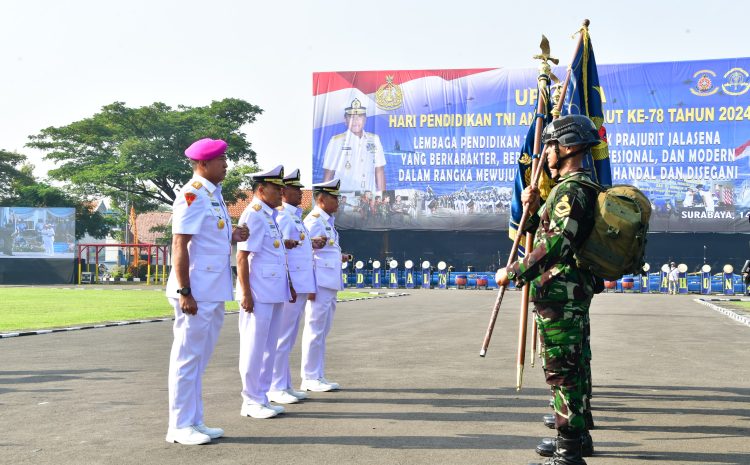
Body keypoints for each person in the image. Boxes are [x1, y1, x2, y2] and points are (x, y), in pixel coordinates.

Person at [495, 114, 602, 465]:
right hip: (568, 293)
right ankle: (578, 437)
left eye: (551, 145)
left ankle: (568, 453)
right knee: (576, 364)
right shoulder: (575, 188)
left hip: (561, 294)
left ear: (568, 147)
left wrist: (512, 272)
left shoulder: (571, 191)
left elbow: (555, 245)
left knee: (562, 369)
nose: (546, 153)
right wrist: (535, 207)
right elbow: (551, 229)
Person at [165, 137, 249, 445]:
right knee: (187, 358)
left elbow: (207, 239)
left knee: (199, 359)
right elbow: (180, 243)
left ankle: (194, 420)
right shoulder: (192, 194)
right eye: (221, 160)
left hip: (212, 289)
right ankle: (179, 425)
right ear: (203, 164)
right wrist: (185, 290)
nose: (226, 165)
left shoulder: (213, 196)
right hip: (195, 291)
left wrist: (233, 233)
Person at [236, 165, 297, 419]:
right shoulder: (253, 214)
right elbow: (242, 257)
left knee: (268, 346)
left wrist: (288, 284)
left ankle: (261, 395)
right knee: (253, 346)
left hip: (273, 291)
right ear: (261, 190)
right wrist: (246, 293)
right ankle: (250, 400)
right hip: (258, 293)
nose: (281, 193)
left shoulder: (268, 216)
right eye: (276, 189)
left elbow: (277, 255)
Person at [268, 169, 327, 404]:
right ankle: (275, 385)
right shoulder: (282, 215)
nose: (300, 193)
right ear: (283, 191)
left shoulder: (294, 217)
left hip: (300, 284)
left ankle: (284, 383)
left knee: (289, 337)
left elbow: (298, 248)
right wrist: (289, 283)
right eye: (295, 189)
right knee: (281, 338)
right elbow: (280, 252)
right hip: (291, 284)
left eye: (300, 189)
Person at [300, 179, 348, 392]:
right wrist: (309, 284)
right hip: (319, 283)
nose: (338, 201)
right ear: (321, 199)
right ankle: (309, 377)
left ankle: (317, 375)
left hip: (329, 282)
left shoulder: (327, 221)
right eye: (334, 197)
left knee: (322, 330)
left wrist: (341, 256)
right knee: (314, 330)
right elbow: (305, 253)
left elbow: (326, 250)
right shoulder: (314, 220)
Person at [322, 98, 386, 194]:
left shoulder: (375, 140)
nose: (355, 121)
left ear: (365, 119)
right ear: (345, 120)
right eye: (351, 117)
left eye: (359, 116)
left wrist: (381, 199)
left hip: (369, 199)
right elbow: (328, 175)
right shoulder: (336, 142)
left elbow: (379, 172)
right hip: (344, 199)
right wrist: (325, 202)